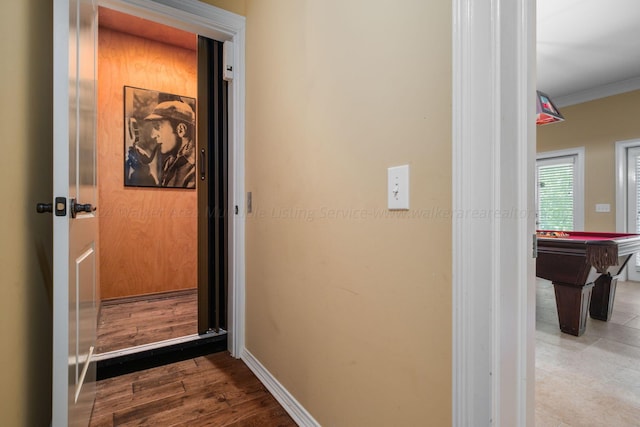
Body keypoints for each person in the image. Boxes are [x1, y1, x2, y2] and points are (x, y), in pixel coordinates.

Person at [144, 100, 196, 188]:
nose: (153, 135)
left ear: (181, 130)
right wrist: (145, 172)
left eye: (157, 126)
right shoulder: (170, 162)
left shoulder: (194, 170)